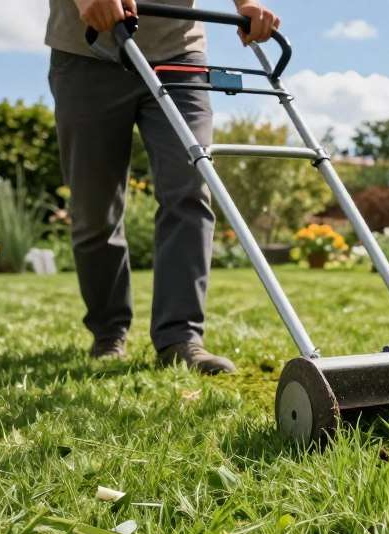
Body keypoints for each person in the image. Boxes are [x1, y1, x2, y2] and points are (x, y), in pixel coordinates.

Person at [46, 0, 280, 374]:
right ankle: (108, 334)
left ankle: (180, 339)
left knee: (190, 189)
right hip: (88, 49)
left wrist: (247, 4)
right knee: (95, 209)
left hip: (178, 52)